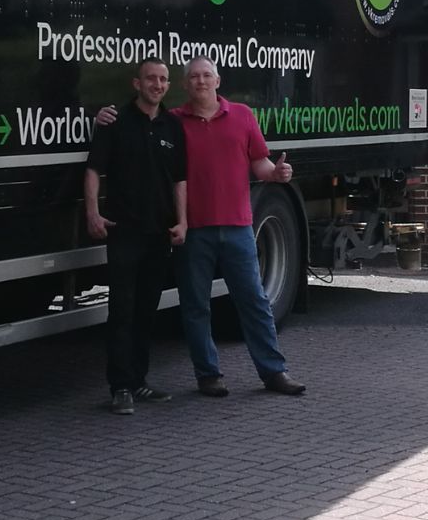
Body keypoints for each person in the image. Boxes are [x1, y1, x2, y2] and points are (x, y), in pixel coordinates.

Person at [98, 56, 305, 397]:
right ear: (185, 85)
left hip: (238, 227)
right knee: (196, 305)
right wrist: (104, 116)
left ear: (218, 80)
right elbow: (138, 118)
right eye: (193, 76)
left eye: (206, 75)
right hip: (194, 231)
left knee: (253, 300)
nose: (201, 81)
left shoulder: (242, 116)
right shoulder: (174, 121)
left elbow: (260, 164)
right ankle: (208, 374)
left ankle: (274, 372)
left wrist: (278, 174)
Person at [85, 58, 187, 416]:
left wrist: (183, 222)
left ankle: (140, 381)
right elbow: (94, 169)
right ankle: (120, 387)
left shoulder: (172, 125)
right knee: (122, 311)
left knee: (146, 311)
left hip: (159, 233)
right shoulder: (115, 122)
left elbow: (179, 180)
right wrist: (93, 211)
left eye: (163, 79)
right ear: (136, 83)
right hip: (124, 232)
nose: (157, 84)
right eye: (150, 79)